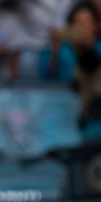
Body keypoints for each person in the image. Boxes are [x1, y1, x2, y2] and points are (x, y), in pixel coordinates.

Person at [42, 2, 101, 138]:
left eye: (87, 24)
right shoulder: (60, 51)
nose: (82, 30)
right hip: (63, 121)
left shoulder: (98, 48)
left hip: (95, 126)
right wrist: (54, 51)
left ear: (96, 26)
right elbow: (45, 78)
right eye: (77, 24)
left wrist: (88, 48)